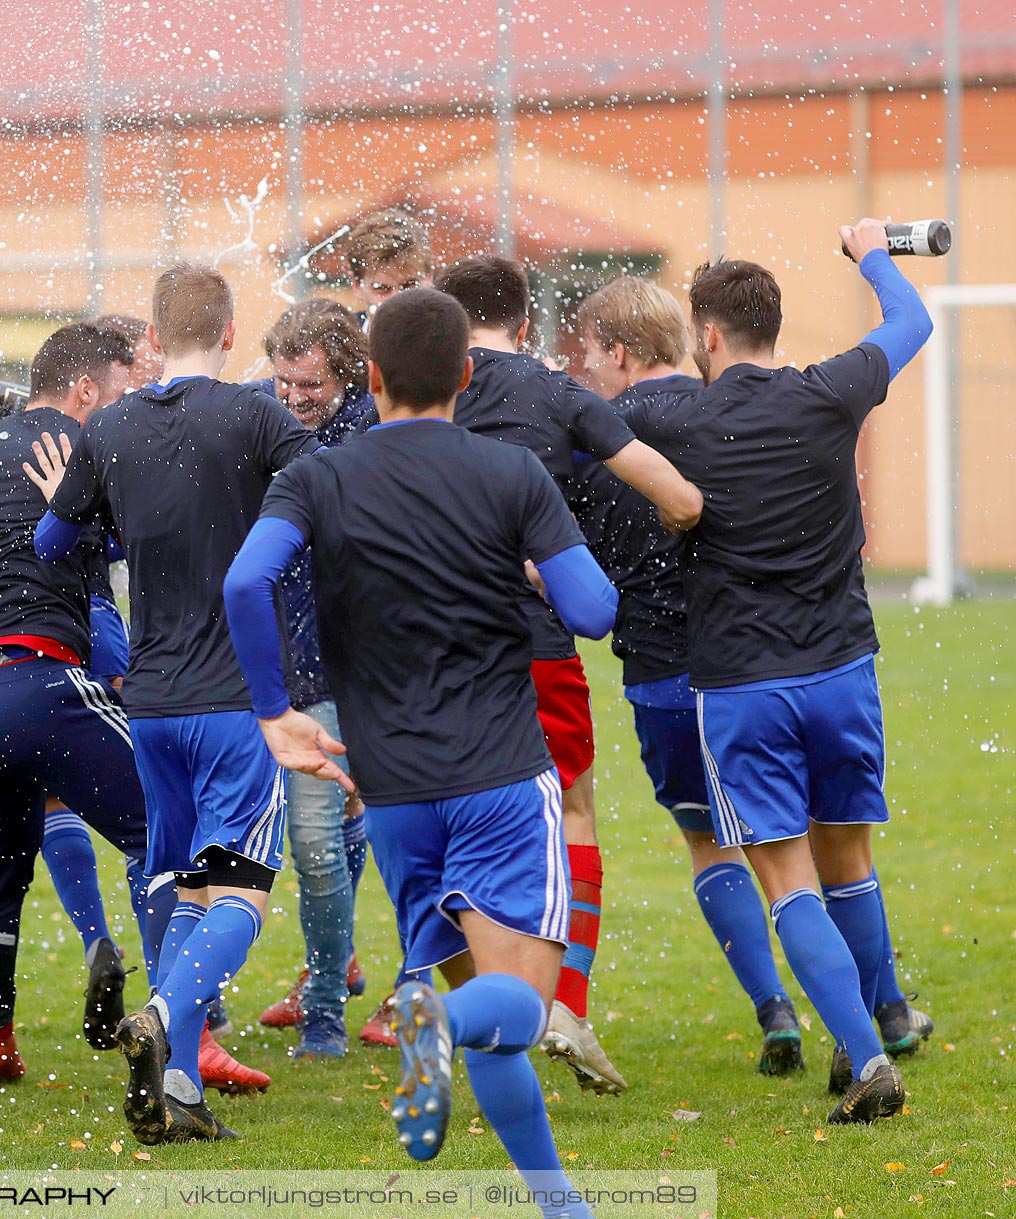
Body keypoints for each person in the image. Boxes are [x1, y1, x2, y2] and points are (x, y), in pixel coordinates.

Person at [225, 286, 611, 1215]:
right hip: (503, 780)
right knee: (519, 1002)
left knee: (489, 1021)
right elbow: (596, 611)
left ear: (373, 377)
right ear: (467, 376)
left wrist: (275, 711)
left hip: (391, 792)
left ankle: (559, 1202)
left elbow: (247, 581)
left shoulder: (315, 476)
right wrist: (530, 565)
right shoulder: (512, 472)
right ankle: (430, 1019)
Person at [626, 219, 934, 1124]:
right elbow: (912, 321)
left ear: (708, 338)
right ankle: (870, 1019)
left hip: (740, 687)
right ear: (774, 327)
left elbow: (589, 423)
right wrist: (871, 250)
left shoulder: (676, 415)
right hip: (842, 669)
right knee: (850, 859)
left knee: (786, 875)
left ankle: (872, 1054)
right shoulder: (829, 392)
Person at [32, 263, 301, 1142]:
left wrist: (85, 504)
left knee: (187, 888)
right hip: (235, 700)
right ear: (230, 335)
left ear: (150, 340)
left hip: (149, 702)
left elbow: (52, 540)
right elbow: (326, 497)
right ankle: (161, 1012)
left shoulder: (106, 426)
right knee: (244, 891)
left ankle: (179, 1082)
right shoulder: (258, 414)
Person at [435, 254, 704, 1096]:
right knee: (570, 811)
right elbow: (683, 499)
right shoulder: (556, 394)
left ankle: (484, 1006)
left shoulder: (414, 395)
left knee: (445, 829)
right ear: (523, 325)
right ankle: (564, 1004)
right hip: (538, 646)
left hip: (431, 654)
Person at [0, 321, 164, 1079]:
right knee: (163, 832)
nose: (127, 408)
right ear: (85, 390)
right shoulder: (93, 452)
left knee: (2, 863)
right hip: (41, 683)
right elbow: (151, 539)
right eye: (120, 393)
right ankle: (189, 1030)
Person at [567, 276, 804, 1075]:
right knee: (785, 843)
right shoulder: (729, 412)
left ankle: (774, 1009)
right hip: (761, 666)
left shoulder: (597, 438)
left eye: (592, 353)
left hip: (662, 676)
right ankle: (863, 1008)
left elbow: (576, 568)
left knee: (708, 841)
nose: (588, 370)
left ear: (621, 351)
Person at [245, 299, 376, 1056]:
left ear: (347, 375)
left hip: (358, 659)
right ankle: (329, 985)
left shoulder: (369, 428)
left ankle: (324, 1002)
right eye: (284, 380)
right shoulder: (260, 413)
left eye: (311, 384)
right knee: (322, 833)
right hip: (277, 662)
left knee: (319, 839)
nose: (295, 397)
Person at [344, 208, 432, 316]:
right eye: (382, 288)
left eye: (409, 285)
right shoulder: (336, 332)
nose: (397, 302)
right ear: (356, 285)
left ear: (429, 277)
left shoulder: (453, 331)